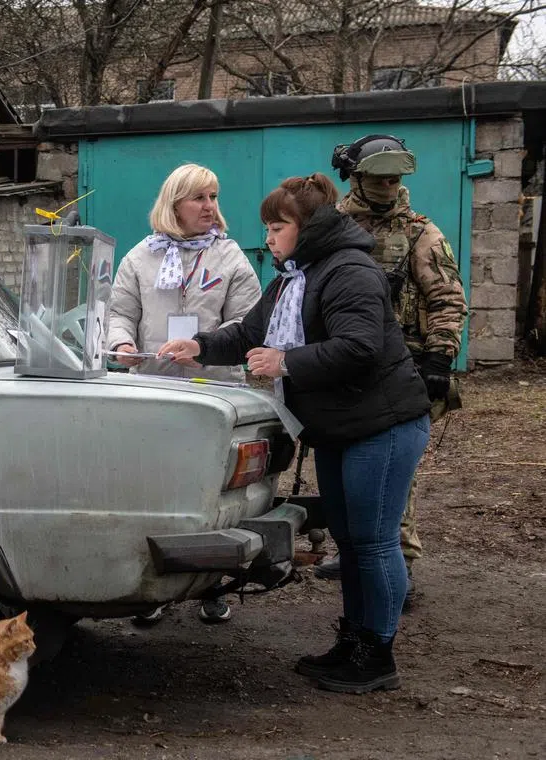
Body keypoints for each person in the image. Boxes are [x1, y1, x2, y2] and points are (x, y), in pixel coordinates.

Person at [159, 174, 431, 693]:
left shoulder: (350, 271)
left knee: (373, 542)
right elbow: (248, 332)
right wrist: (198, 346)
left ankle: (378, 654)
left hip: (382, 426)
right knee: (351, 543)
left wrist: (286, 361)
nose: (270, 237)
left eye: (277, 226)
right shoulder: (293, 277)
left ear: (307, 228)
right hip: (338, 427)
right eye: (267, 226)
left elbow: (360, 347)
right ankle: (354, 641)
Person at [313, 135, 468, 610]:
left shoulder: (422, 234)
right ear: (356, 176)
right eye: (378, 178)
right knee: (344, 463)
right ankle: (356, 553)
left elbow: (447, 298)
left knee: (391, 475)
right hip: (344, 365)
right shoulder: (331, 226)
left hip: (403, 370)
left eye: (394, 179)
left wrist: (440, 358)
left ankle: (396, 562)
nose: (386, 186)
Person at [107, 163, 262, 625]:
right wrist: (121, 345)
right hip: (153, 391)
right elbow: (119, 313)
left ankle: (211, 586)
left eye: (214, 198)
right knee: (152, 491)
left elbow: (247, 324)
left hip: (214, 392)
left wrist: (207, 350)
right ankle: (152, 590)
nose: (210, 208)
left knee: (212, 494)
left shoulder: (231, 258)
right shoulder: (140, 257)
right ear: (174, 204)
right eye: (200, 198)